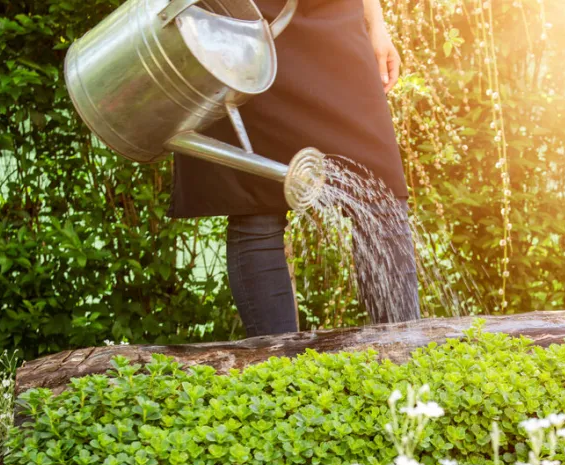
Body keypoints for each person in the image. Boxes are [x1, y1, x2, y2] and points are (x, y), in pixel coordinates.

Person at [171, 0, 420, 337]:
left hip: (336, 15)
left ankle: (403, 351)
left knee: (380, 196)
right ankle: (280, 367)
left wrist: (376, 24)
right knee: (256, 201)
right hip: (243, 16)